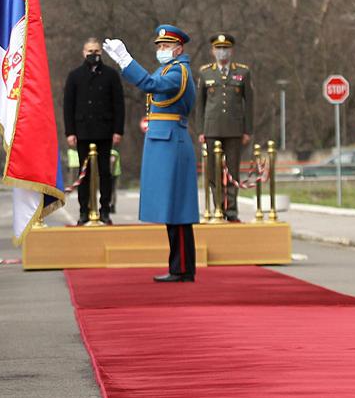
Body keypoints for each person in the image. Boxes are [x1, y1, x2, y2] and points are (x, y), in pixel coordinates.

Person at [104, 26, 198, 282]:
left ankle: (182, 268)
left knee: (177, 209)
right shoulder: (169, 69)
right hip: (164, 140)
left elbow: (148, 83)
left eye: (165, 47)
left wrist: (126, 60)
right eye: (159, 46)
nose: (161, 50)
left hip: (171, 141)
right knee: (171, 208)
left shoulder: (178, 71)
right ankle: (179, 266)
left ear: (178, 49)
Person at [63, 37, 125, 224]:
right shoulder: (74, 76)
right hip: (82, 131)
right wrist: (70, 132)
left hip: (105, 131)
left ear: (101, 52)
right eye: (90, 51)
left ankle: (104, 210)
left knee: (105, 173)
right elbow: (68, 106)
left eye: (96, 51)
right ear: (83, 53)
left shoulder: (111, 75)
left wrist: (118, 130)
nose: (93, 55)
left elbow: (119, 105)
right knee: (84, 174)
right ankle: (84, 210)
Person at [196, 33, 253, 221]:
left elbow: (249, 103)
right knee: (214, 171)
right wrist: (200, 130)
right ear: (212, 51)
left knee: (233, 171)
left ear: (232, 51)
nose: (222, 52)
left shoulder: (243, 72)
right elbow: (200, 104)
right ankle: (218, 208)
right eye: (218, 48)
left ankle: (232, 211)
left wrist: (247, 130)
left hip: (234, 130)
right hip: (212, 129)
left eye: (226, 48)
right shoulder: (205, 72)